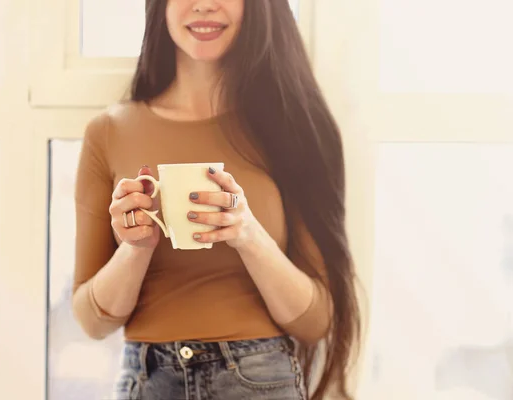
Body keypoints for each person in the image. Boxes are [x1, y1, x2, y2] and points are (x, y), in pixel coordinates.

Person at [72, 0, 360, 399]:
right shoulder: (109, 132)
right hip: (147, 381)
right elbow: (92, 321)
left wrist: (247, 235)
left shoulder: (295, 128)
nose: (205, 5)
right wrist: (136, 249)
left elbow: (315, 322)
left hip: (258, 379)